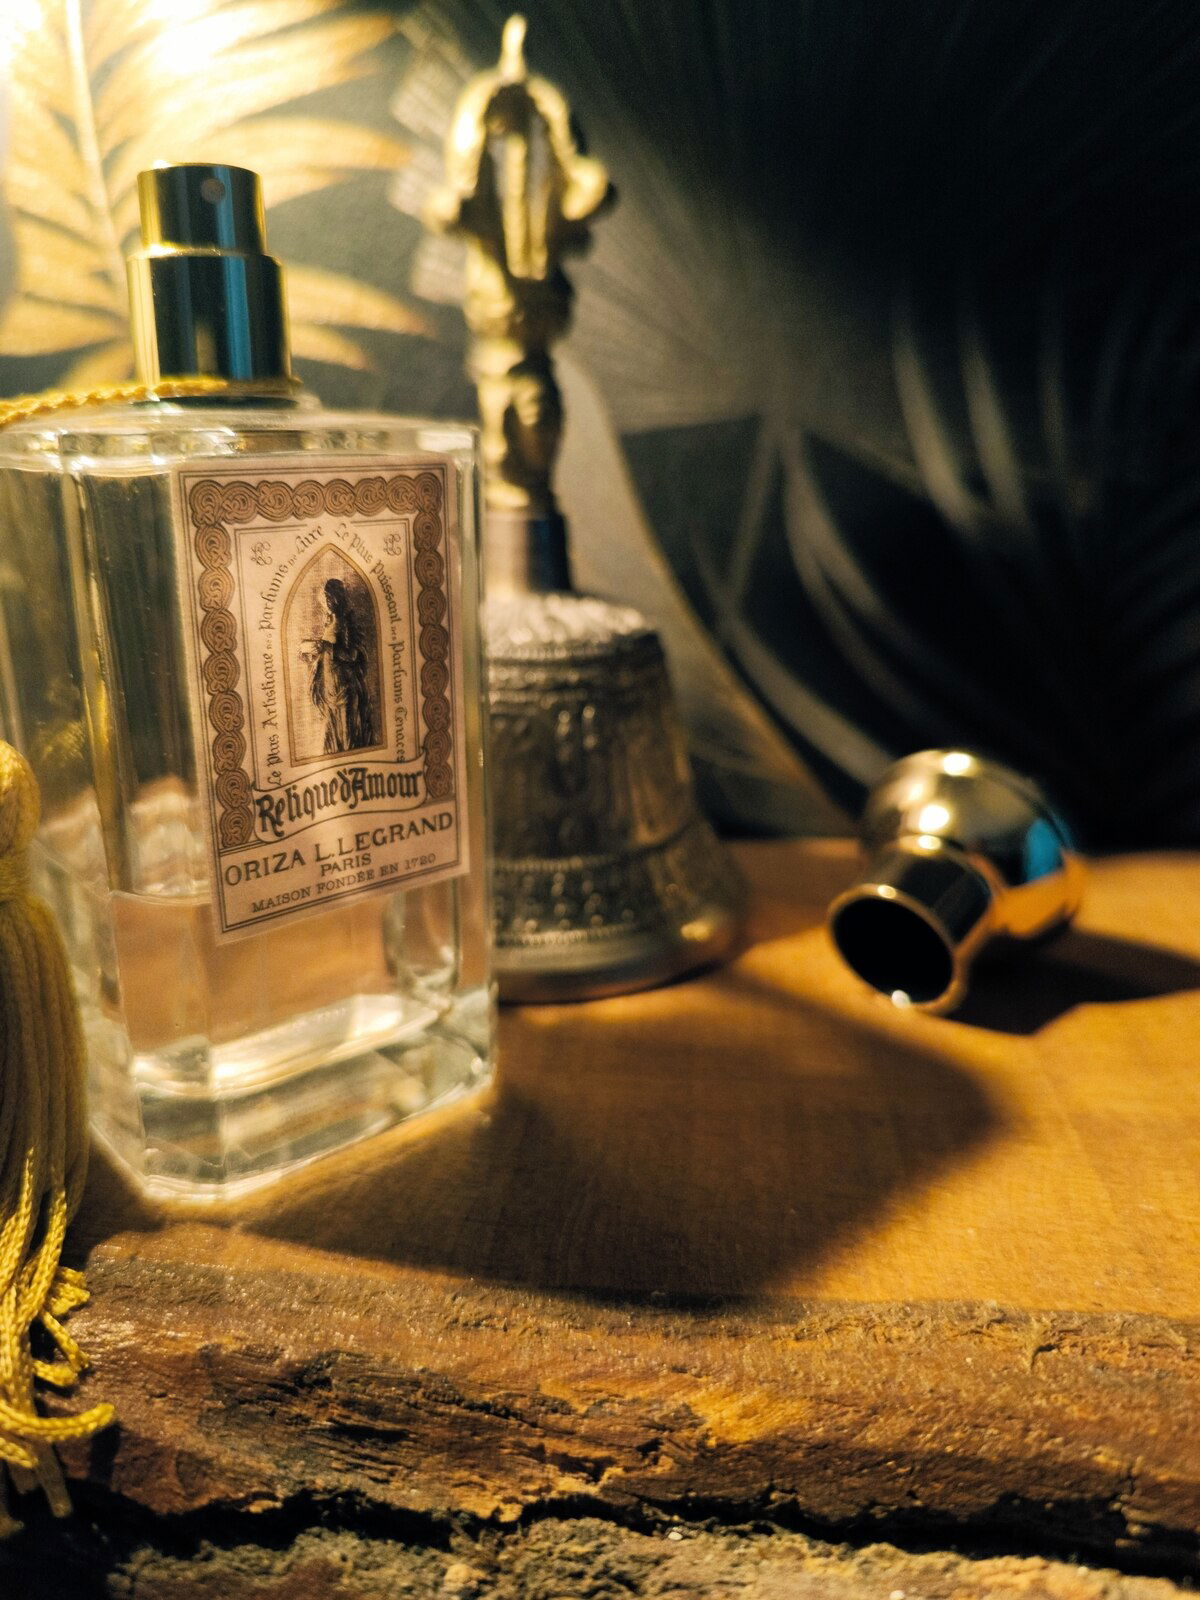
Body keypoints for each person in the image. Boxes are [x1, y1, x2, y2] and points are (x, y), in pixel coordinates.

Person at [305, 578, 375, 753]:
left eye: (330, 597)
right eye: (326, 597)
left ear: (337, 598)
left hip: (343, 685)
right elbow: (326, 651)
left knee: (346, 731)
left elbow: (352, 655)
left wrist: (325, 646)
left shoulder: (346, 622)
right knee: (332, 729)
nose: (327, 601)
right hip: (329, 685)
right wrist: (312, 652)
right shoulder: (329, 621)